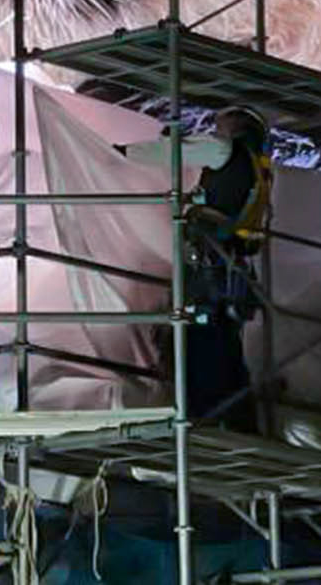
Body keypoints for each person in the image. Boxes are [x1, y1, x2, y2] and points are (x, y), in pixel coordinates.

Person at [120, 104, 274, 423]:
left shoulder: (226, 151)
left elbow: (171, 152)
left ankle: (201, 421)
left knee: (200, 346)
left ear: (237, 127)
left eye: (220, 124)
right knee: (223, 348)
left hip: (210, 273)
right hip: (227, 272)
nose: (215, 130)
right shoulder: (259, 170)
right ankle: (236, 422)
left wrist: (118, 151)